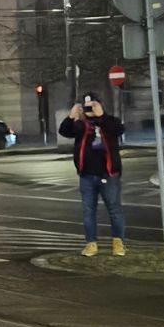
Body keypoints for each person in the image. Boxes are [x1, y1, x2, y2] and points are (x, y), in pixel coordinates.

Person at [58, 91, 126, 257]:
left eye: (92, 106)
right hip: (87, 175)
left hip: (108, 174)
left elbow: (118, 129)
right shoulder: (81, 125)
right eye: (86, 107)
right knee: (88, 210)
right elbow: (64, 131)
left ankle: (118, 242)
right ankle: (91, 243)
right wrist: (71, 116)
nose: (90, 110)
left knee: (114, 209)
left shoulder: (109, 122)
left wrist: (101, 116)